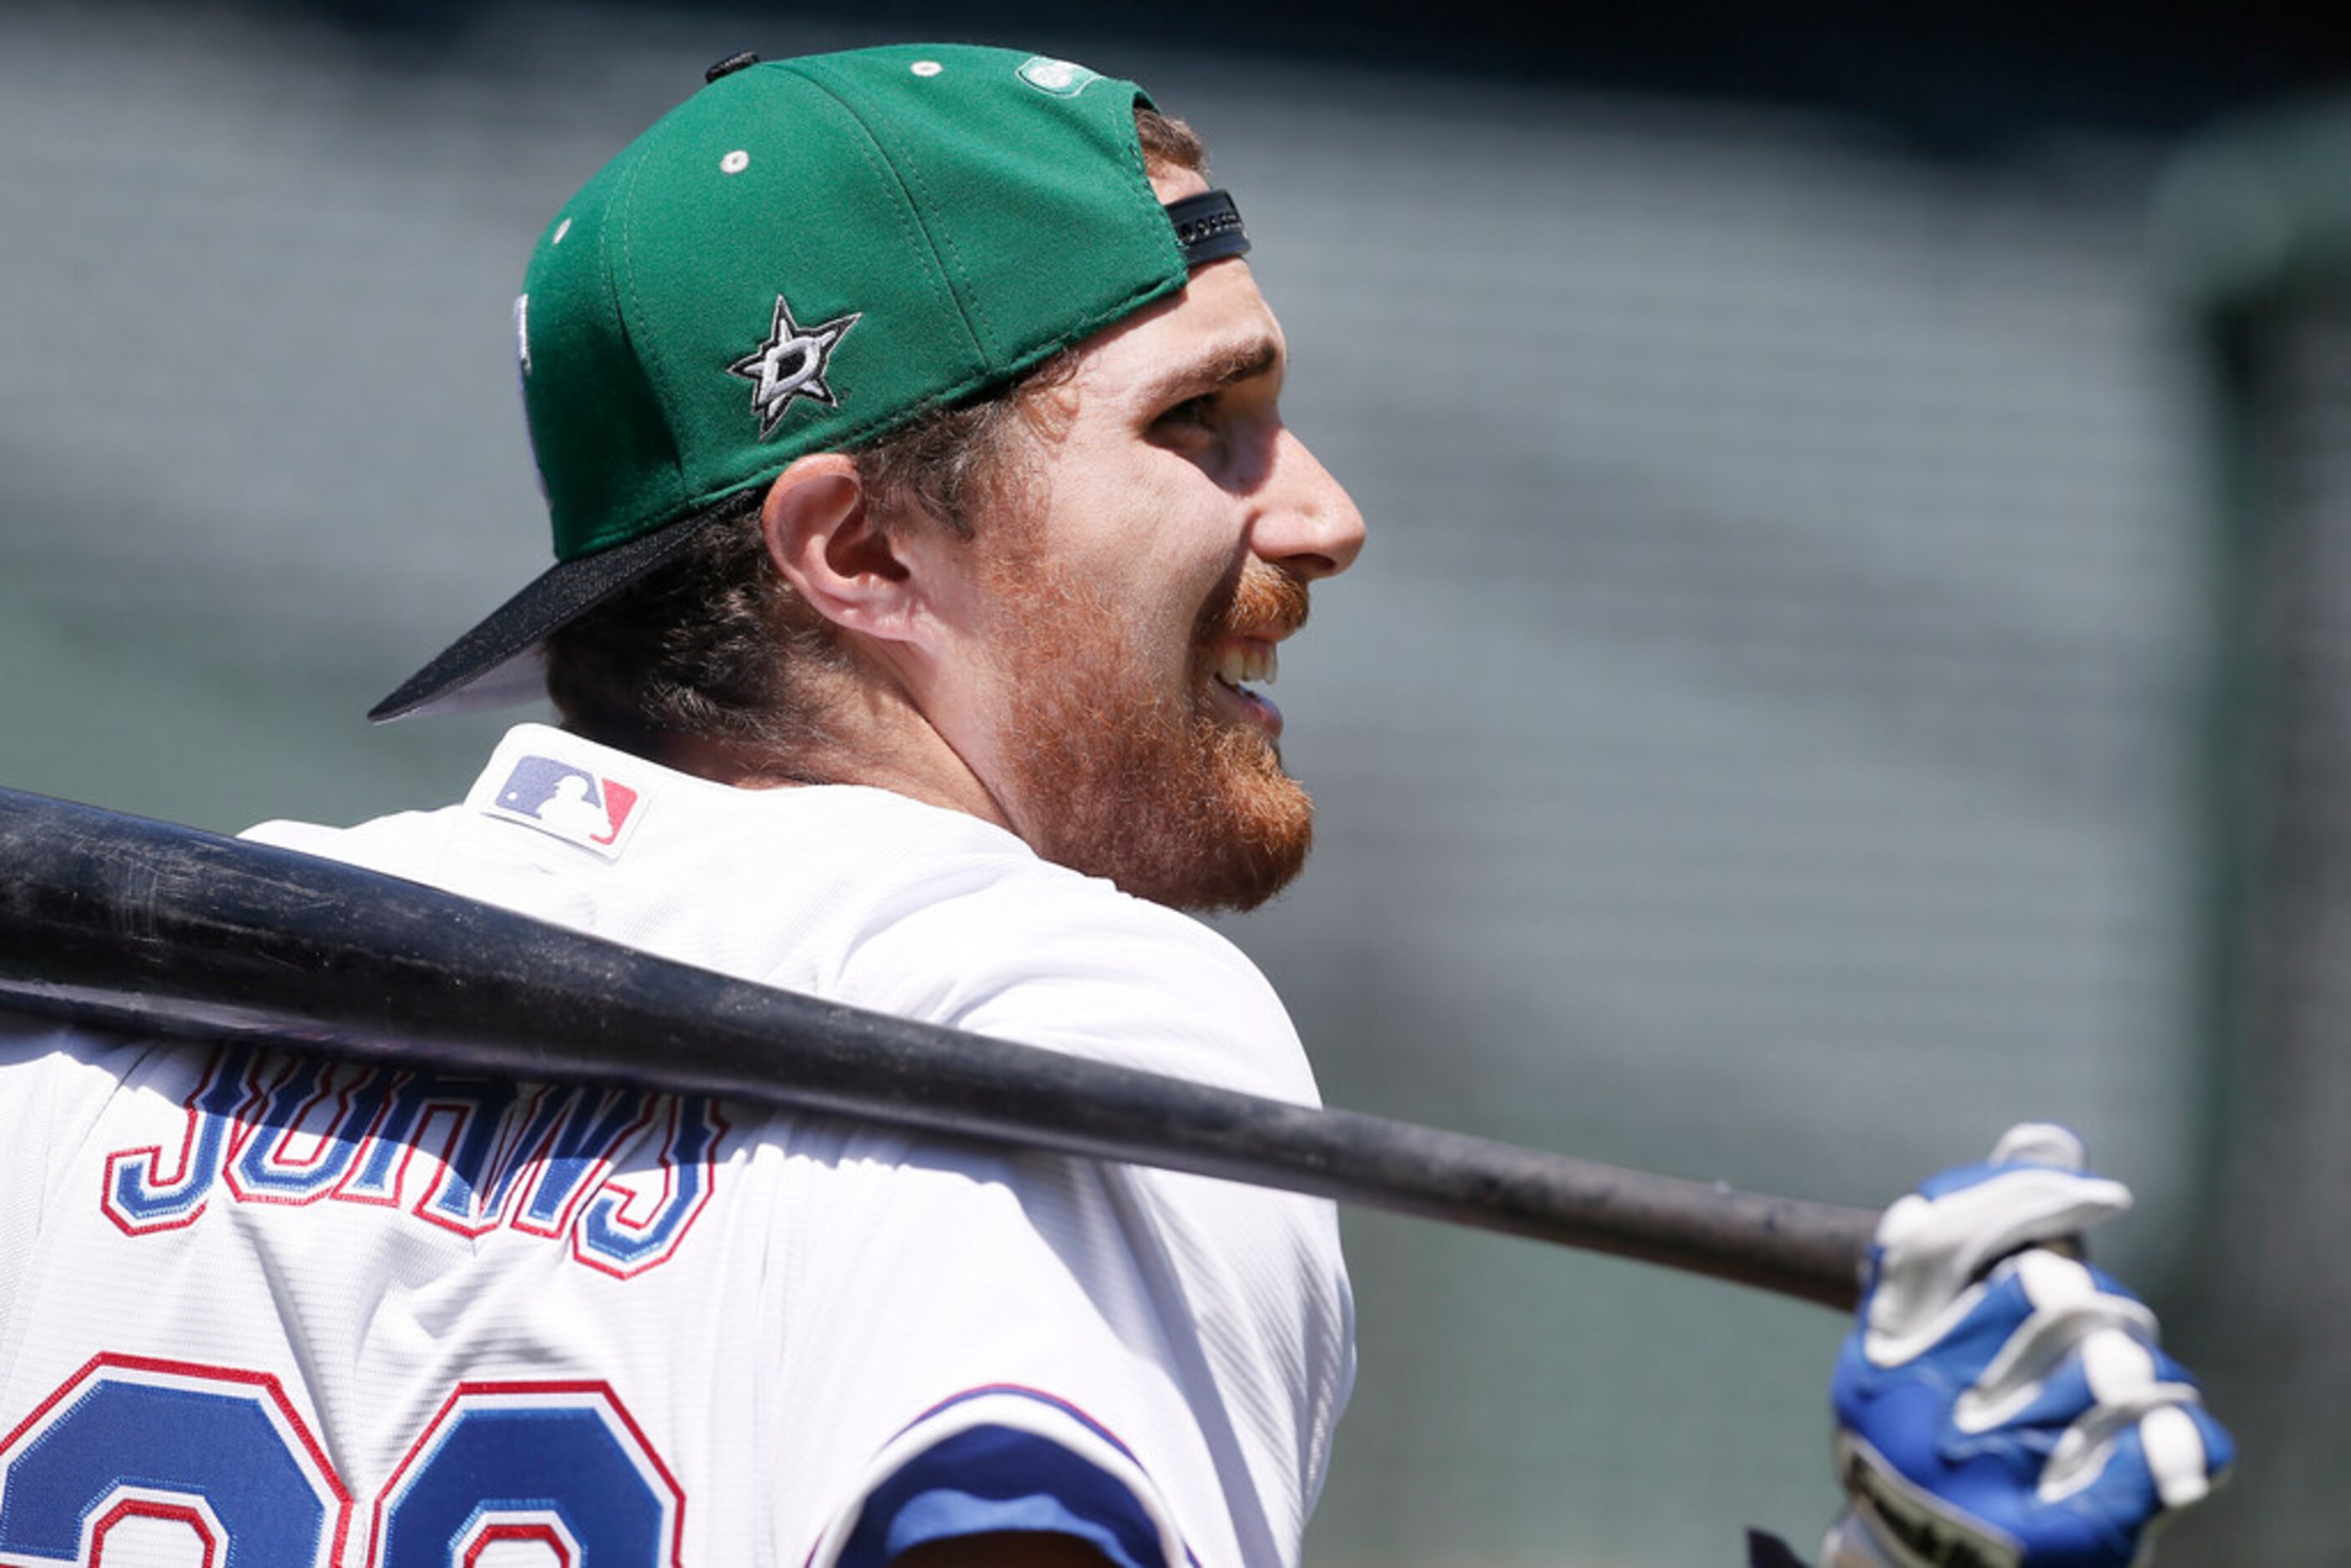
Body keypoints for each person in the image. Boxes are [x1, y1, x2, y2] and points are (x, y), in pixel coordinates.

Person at [0, 43, 2224, 1568]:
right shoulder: (1061, 1019)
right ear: (857, 555)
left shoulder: (90, 1052)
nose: (1327, 516)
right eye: (1209, 428)